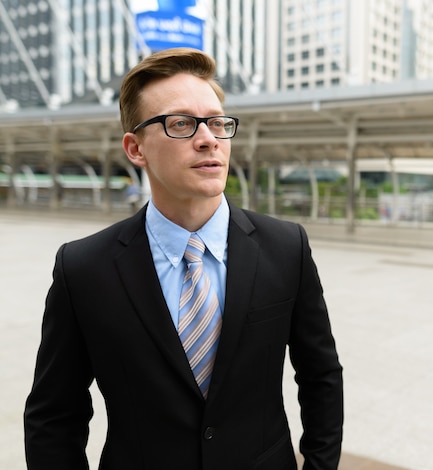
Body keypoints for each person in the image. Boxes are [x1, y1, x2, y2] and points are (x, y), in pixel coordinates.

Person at [24, 48, 343, 470]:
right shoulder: (83, 268)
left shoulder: (286, 248)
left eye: (217, 122)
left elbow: (321, 377)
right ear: (136, 149)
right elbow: (54, 414)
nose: (209, 137)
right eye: (181, 124)